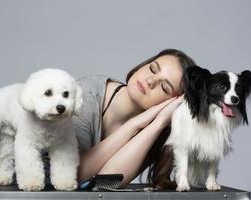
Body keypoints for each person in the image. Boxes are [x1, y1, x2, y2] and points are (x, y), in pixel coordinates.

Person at [73, 49, 196, 187]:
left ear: (171, 105)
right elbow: (72, 177)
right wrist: (135, 124)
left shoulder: (152, 134)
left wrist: (159, 123)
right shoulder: (84, 95)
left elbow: (103, 186)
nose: (150, 81)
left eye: (164, 87)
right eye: (152, 69)